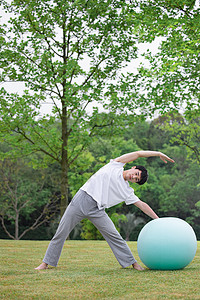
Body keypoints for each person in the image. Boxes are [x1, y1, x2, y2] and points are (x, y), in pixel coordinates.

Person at [35, 150, 175, 271]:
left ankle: (133, 264)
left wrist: (158, 220)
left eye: (136, 179)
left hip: (97, 210)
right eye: (136, 173)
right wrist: (158, 154)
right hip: (81, 200)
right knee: (61, 232)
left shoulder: (127, 191)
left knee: (114, 236)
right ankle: (45, 263)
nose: (134, 177)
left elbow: (142, 205)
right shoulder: (116, 165)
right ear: (133, 167)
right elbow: (138, 154)